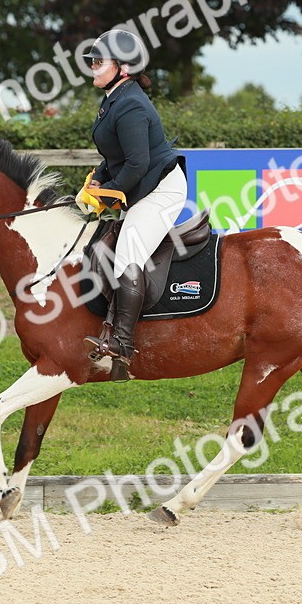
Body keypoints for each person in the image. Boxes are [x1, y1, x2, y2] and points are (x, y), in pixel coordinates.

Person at [77, 29, 188, 381]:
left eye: (98, 62)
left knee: (126, 255)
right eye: (92, 61)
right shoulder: (114, 98)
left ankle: (122, 346)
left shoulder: (131, 104)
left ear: (123, 68)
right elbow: (116, 155)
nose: (93, 67)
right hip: (143, 185)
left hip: (161, 190)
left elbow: (138, 163)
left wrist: (108, 190)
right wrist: (97, 181)